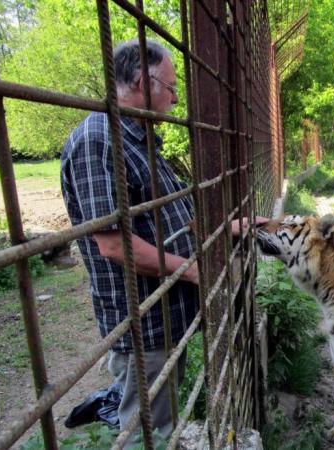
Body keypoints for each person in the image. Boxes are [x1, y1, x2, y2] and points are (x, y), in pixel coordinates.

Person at [61, 39, 263, 443]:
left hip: (168, 309)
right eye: (171, 89)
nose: (175, 101)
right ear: (142, 82)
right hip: (143, 319)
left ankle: (114, 402)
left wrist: (234, 226)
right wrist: (193, 271)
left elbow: (178, 215)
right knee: (150, 432)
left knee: (159, 408)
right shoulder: (100, 141)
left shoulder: (140, 140)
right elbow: (114, 245)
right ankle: (117, 407)